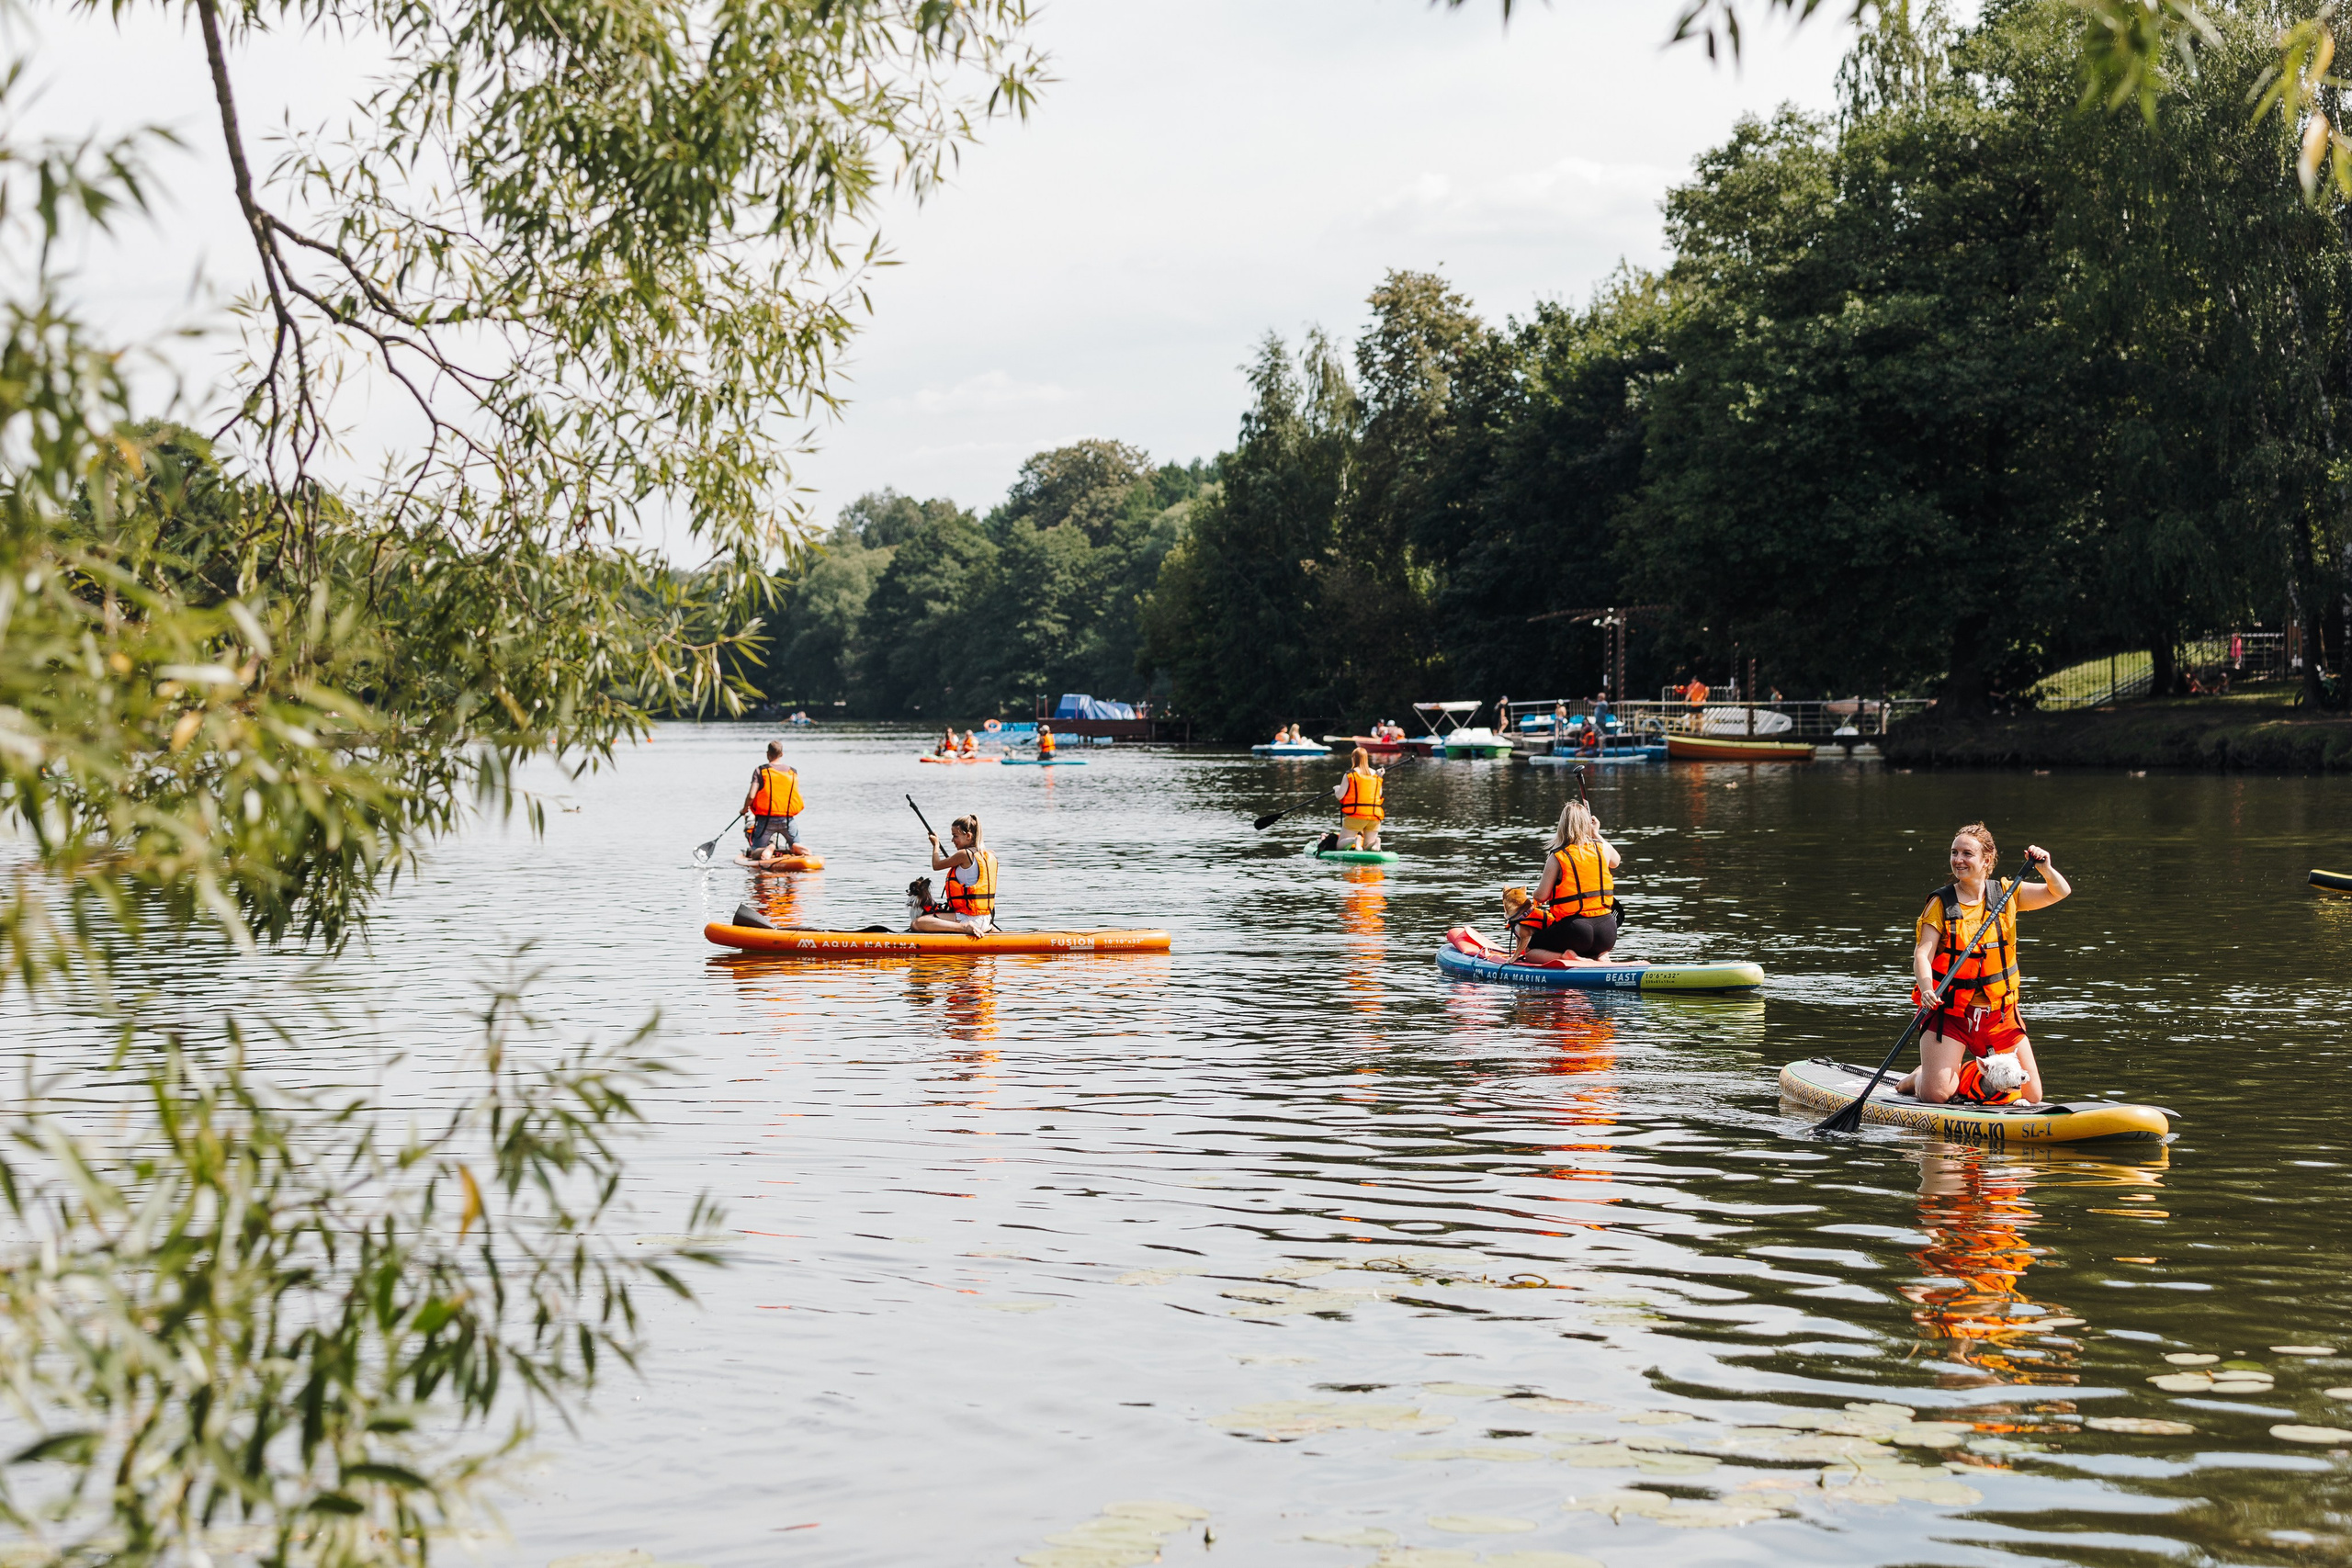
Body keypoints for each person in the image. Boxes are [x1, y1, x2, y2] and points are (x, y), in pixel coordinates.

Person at [1894, 825, 2070, 1105]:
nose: (1958, 859)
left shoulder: (2007, 894)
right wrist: (1927, 987)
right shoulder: (1941, 903)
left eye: (1967, 853)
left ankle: (1971, 1076)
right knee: (1935, 1095)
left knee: (2031, 1095)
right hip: (1951, 1014)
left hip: (1999, 1016)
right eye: (1954, 853)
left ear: (1986, 860)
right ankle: (1920, 1077)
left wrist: (2045, 868)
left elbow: (2059, 892)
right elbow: (1922, 954)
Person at [1519, 799, 1621, 962]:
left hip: (1576, 931)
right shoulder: (1603, 848)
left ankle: (1566, 957)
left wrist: (1533, 894)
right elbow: (1616, 861)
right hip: (1607, 931)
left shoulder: (1558, 856)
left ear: (1563, 826)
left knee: (1529, 949)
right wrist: (1596, 834)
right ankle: (1602, 957)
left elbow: (1541, 896)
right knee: (1598, 950)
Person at [916, 815, 996, 938]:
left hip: (972, 919)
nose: (952, 840)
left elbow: (936, 865)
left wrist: (936, 845)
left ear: (968, 836)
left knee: (918, 923)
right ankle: (985, 928)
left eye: (955, 836)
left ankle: (964, 927)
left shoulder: (964, 854)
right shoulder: (988, 855)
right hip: (986, 918)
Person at [741, 742, 805, 856]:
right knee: (795, 844)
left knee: (755, 851)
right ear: (782, 754)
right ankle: (796, 846)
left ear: (767, 754)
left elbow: (751, 795)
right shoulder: (792, 772)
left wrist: (745, 809)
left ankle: (768, 848)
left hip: (766, 820)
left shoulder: (760, 770)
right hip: (788, 819)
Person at [1333, 746, 1385, 851]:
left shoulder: (1350, 774)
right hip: (1374, 817)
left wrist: (1336, 789)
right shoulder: (1376, 775)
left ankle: (1354, 840)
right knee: (1367, 846)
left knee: (1339, 846)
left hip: (1356, 815)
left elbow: (1340, 795)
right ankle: (1376, 842)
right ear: (1366, 759)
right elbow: (1379, 794)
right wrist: (1380, 775)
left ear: (1353, 758)